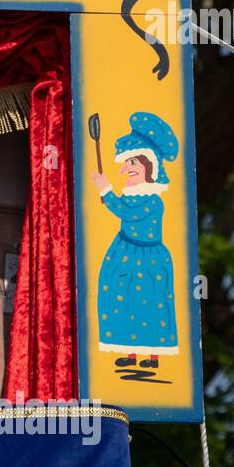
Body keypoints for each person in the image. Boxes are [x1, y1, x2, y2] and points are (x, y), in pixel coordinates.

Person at [91, 112, 180, 371]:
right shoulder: (130, 194)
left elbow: (128, 213)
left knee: (150, 304)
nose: (127, 168)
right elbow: (122, 207)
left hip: (149, 259)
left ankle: (152, 356)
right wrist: (108, 196)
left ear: (149, 167)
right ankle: (130, 352)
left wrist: (106, 191)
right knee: (122, 300)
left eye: (133, 162)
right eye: (127, 162)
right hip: (124, 250)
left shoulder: (153, 200)